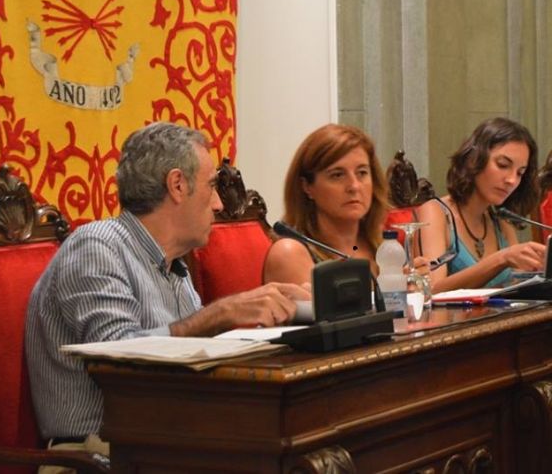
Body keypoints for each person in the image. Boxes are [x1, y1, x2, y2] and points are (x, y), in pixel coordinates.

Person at [25, 122, 310, 469]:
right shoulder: (97, 246)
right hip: (97, 456)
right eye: (211, 186)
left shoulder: (173, 267)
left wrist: (286, 318)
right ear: (177, 185)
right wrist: (220, 315)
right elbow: (117, 359)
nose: (219, 203)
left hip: (166, 445)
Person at [417, 117, 546, 293]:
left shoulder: (500, 219)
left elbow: (517, 282)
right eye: (503, 165)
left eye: (520, 173)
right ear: (474, 159)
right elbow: (431, 289)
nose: (512, 180)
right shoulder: (434, 212)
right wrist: (502, 258)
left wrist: (540, 266)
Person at [263, 124, 395, 284]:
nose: (354, 186)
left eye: (362, 173)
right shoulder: (289, 253)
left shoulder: (379, 245)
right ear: (307, 186)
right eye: (337, 175)